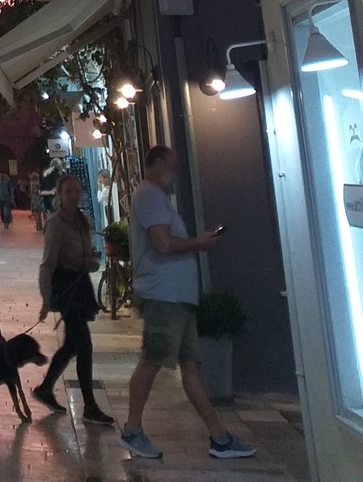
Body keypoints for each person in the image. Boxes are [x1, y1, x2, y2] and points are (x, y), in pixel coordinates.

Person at [118, 146, 257, 462]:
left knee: (191, 367)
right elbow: (163, 244)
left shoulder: (158, 199)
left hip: (176, 299)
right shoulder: (150, 196)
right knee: (152, 361)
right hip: (163, 297)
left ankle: (219, 437)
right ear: (156, 164)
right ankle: (132, 431)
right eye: (172, 165)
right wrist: (200, 243)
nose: (176, 173)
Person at [33, 174, 112, 426]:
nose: (75, 196)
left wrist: (91, 262)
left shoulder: (82, 220)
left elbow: (88, 254)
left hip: (81, 286)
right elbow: (47, 264)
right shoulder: (55, 225)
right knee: (84, 345)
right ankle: (89, 405)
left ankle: (45, 388)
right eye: (69, 192)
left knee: (71, 345)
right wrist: (46, 299)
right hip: (67, 289)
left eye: (78, 191)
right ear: (59, 195)